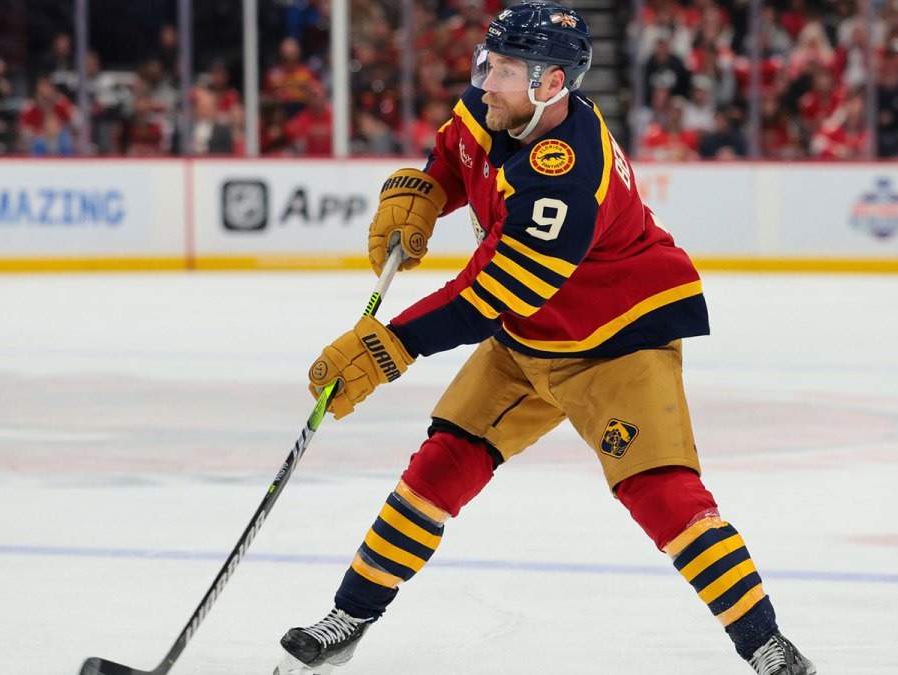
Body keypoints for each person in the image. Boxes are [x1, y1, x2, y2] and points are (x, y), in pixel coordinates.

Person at [275, 4, 815, 675]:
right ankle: (349, 617)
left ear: (552, 83)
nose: (486, 80)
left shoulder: (564, 175)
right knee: (437, 468)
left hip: (616, 340)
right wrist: (418, 193)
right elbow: (453, 153)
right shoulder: (493, 107)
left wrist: (389, 346)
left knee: (662, 491)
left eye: (504, 69)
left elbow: (490, 293)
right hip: (528, 338)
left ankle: (764, 643)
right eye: (488, 62)